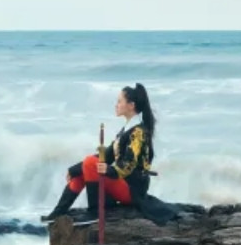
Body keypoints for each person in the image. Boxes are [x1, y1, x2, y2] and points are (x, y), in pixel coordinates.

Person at [42, 83, 157, 221]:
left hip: (133, 190)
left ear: (131, 105)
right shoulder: (127, 130)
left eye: (119, 101)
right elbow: (107, 155)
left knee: (90, 163)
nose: (116, 105)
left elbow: (128, 165)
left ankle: (95, 213)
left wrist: (109, 170)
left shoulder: (138, 132)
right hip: (121, 183)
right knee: (86, 166)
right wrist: (74, 170)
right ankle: (58, 213)